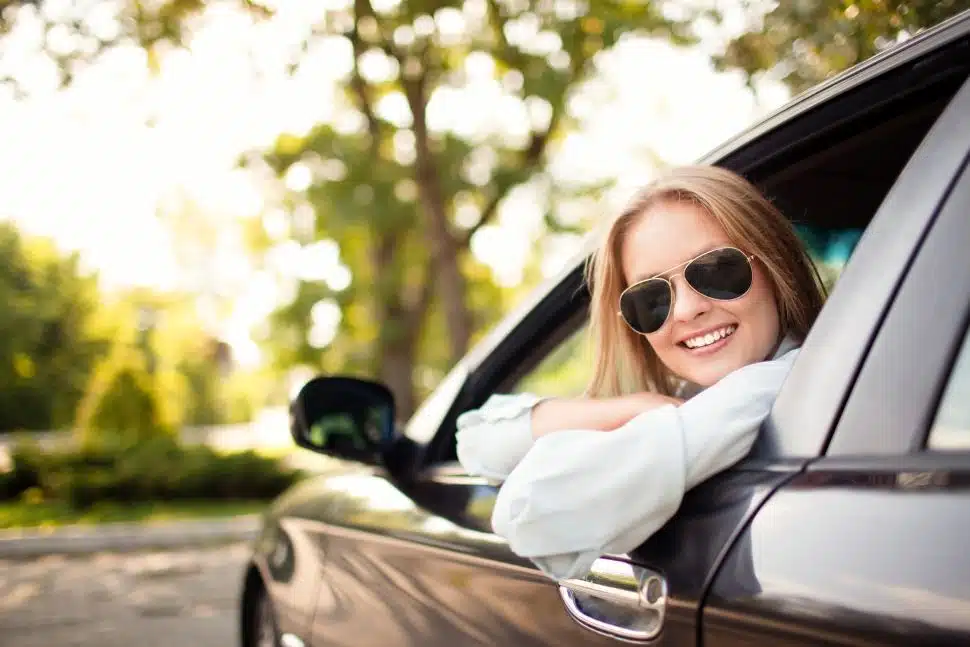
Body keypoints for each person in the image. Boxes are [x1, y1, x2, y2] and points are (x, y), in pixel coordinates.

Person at [455, 165, 827, 581]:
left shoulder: (780, 384)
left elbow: (529, 515)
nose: (687, 309)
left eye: (718, 270)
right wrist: (631, 408)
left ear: (775, 266)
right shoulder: (691, 398)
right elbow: (476, 439)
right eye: (650, 298)